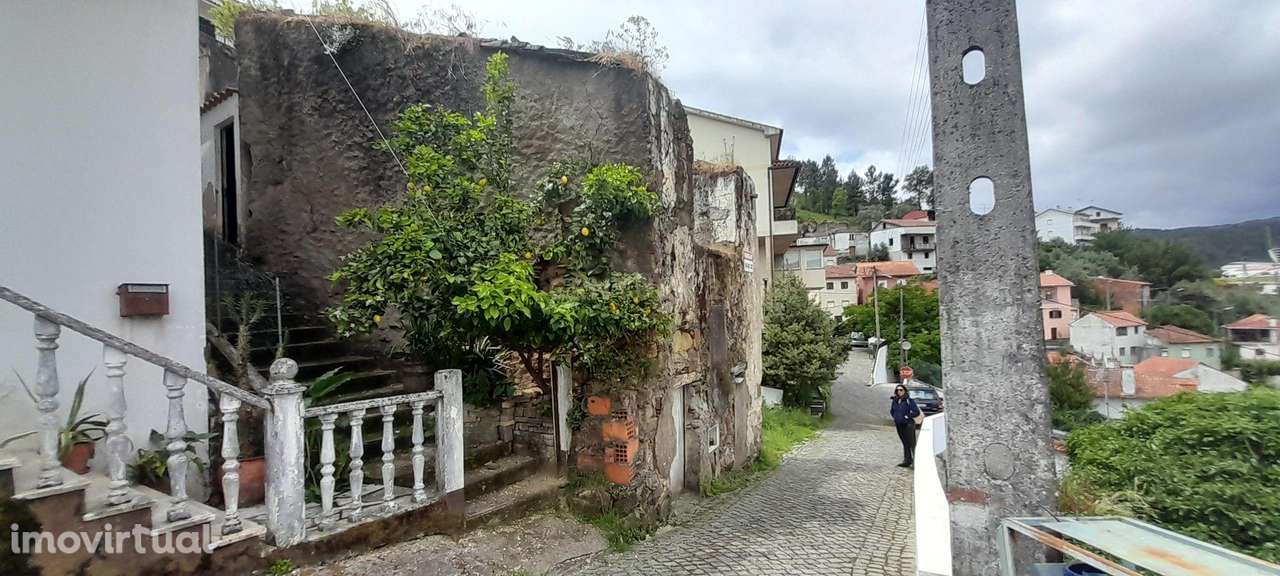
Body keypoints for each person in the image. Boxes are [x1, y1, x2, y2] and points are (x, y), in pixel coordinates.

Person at [889, 384, 921, 467]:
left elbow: (916, 412)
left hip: (908, 424)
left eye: (901, 390)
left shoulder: (909, 400)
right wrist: (896, 417)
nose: (899, 392)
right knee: (905, 443)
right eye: (897, 390)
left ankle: (916, 462)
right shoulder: (895, 400)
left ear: (905, 391)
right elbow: (892, 411)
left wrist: (907, 416)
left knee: (912, 443)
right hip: (899, 424)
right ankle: (907, 460)